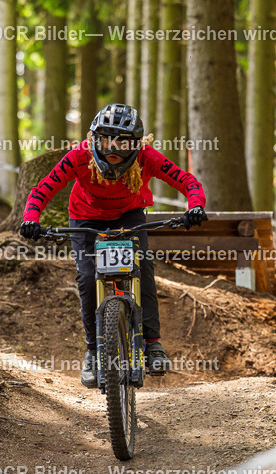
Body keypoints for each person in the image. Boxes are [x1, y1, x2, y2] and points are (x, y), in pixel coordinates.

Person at [18, 104, 207, 388]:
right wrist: (31, 218)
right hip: (84, 218)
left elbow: (186, 181)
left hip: (128, 216)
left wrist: (195, 206)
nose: (113, 149)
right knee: (86, 277)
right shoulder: (79, 155)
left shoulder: (146, 157)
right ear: (93, 138)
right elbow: (43, 188)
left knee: (143, 269)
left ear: (137, 144)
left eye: (123, 142)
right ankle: (93, 352)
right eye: (106, 140)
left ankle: (152, 344)